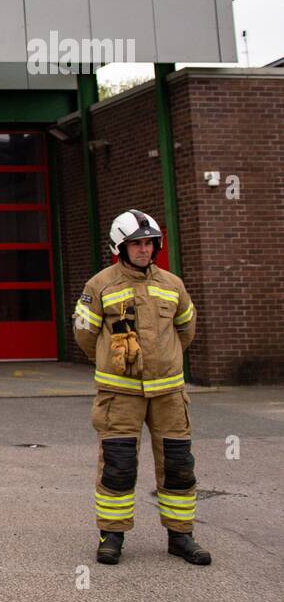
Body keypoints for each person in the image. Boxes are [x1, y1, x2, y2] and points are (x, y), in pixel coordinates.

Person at [74, 210, 208, 566]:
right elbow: (85, 335)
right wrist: (108, 360)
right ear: (120, 246)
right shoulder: (99, 285)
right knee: (118, 466)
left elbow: (186, 330)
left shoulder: (173, 284)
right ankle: (111, 535)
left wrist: (164, 360)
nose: (144, 250)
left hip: (169, 395)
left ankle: (181, 536)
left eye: (149, 243)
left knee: (179, 465)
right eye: (137, 244)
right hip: (120, 395)